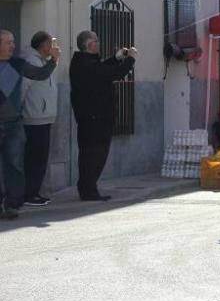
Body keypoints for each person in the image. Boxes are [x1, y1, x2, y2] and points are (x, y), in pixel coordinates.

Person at [1, 29, 60, 218]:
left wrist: (53, 61)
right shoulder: (15, 67)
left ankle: (12, 204)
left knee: (15, 165)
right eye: (8, 42)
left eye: (12, 42)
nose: (13, 45)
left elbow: (40, 74)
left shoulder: (17, 64)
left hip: (13, 124)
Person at [69, 31, 133, 202]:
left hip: (93, 117)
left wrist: (116, 57)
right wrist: (130, 59)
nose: (98, 43)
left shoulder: (83, 61)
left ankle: (88, 188)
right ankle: (88, 190)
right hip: (94, 118)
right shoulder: (86, 65)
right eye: (96, 41)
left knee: (92, 154)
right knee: (94, 155)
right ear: (89, 45)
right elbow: (113, 74)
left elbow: (103, 68)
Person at [21, 31, 59, 207]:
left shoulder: (44, 61)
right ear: (43, 46)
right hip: (34, 117)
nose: (54, 47)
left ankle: (34, 192)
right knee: (34, 158)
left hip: (44, 117)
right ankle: (29, 194)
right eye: (51, 44)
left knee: (41, 158)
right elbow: (23, 90)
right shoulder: (31, 60)